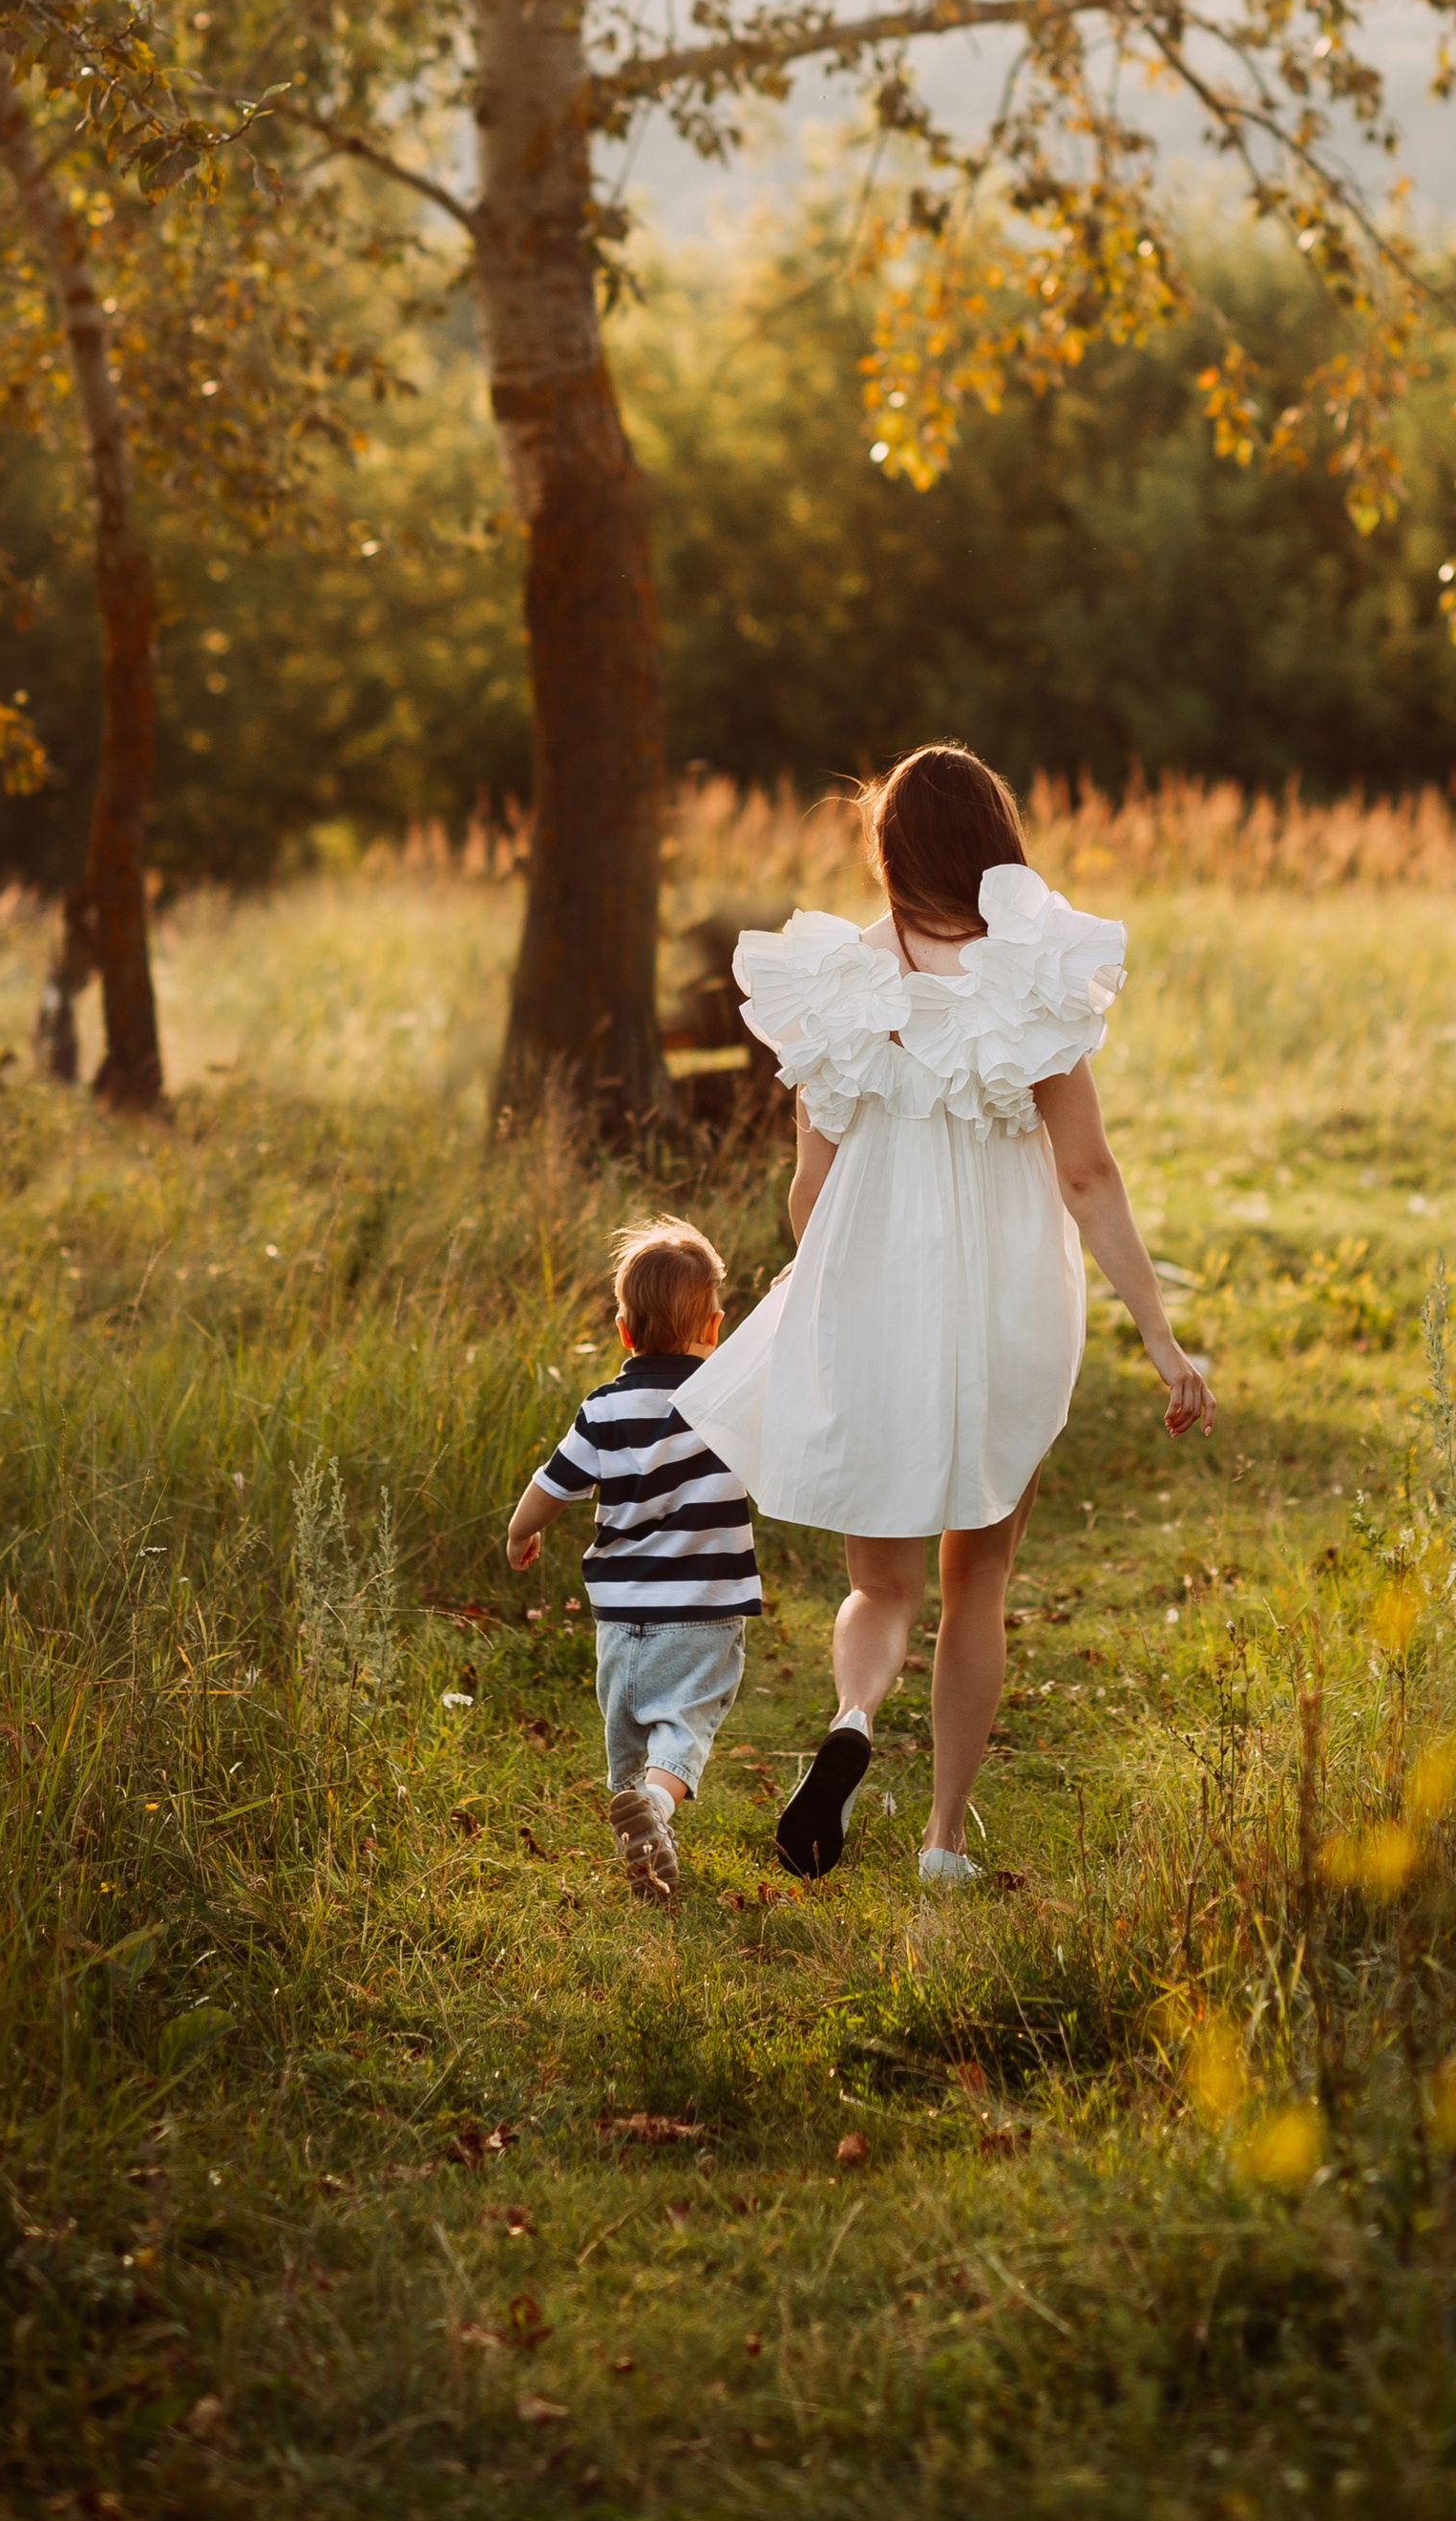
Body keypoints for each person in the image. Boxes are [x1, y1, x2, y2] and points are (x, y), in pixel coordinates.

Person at [678, 741, 1213, 1889]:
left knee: (881, 1584)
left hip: (871, 1292)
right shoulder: (1032, 975)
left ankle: (853, 1721)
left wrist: (811, 1285)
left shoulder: (838, 983)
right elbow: (1087, 1175)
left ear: (888, 851)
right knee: (980, 1581)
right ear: (992, 841)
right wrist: (1159, 1338)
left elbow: (810, 1184)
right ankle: (942, 1843)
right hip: (1000, 1304)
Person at [503, 1218, 760, 1902]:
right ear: (714, 1324)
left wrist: (518, 1531)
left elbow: (551, 1485)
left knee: (629, 1739)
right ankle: (657, 1807)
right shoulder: (727, 1402)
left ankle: (641, 1830)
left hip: (620, 1615)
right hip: (704, 1610)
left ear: (623, 1331)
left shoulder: (603, 1408)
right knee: (684, 1727)